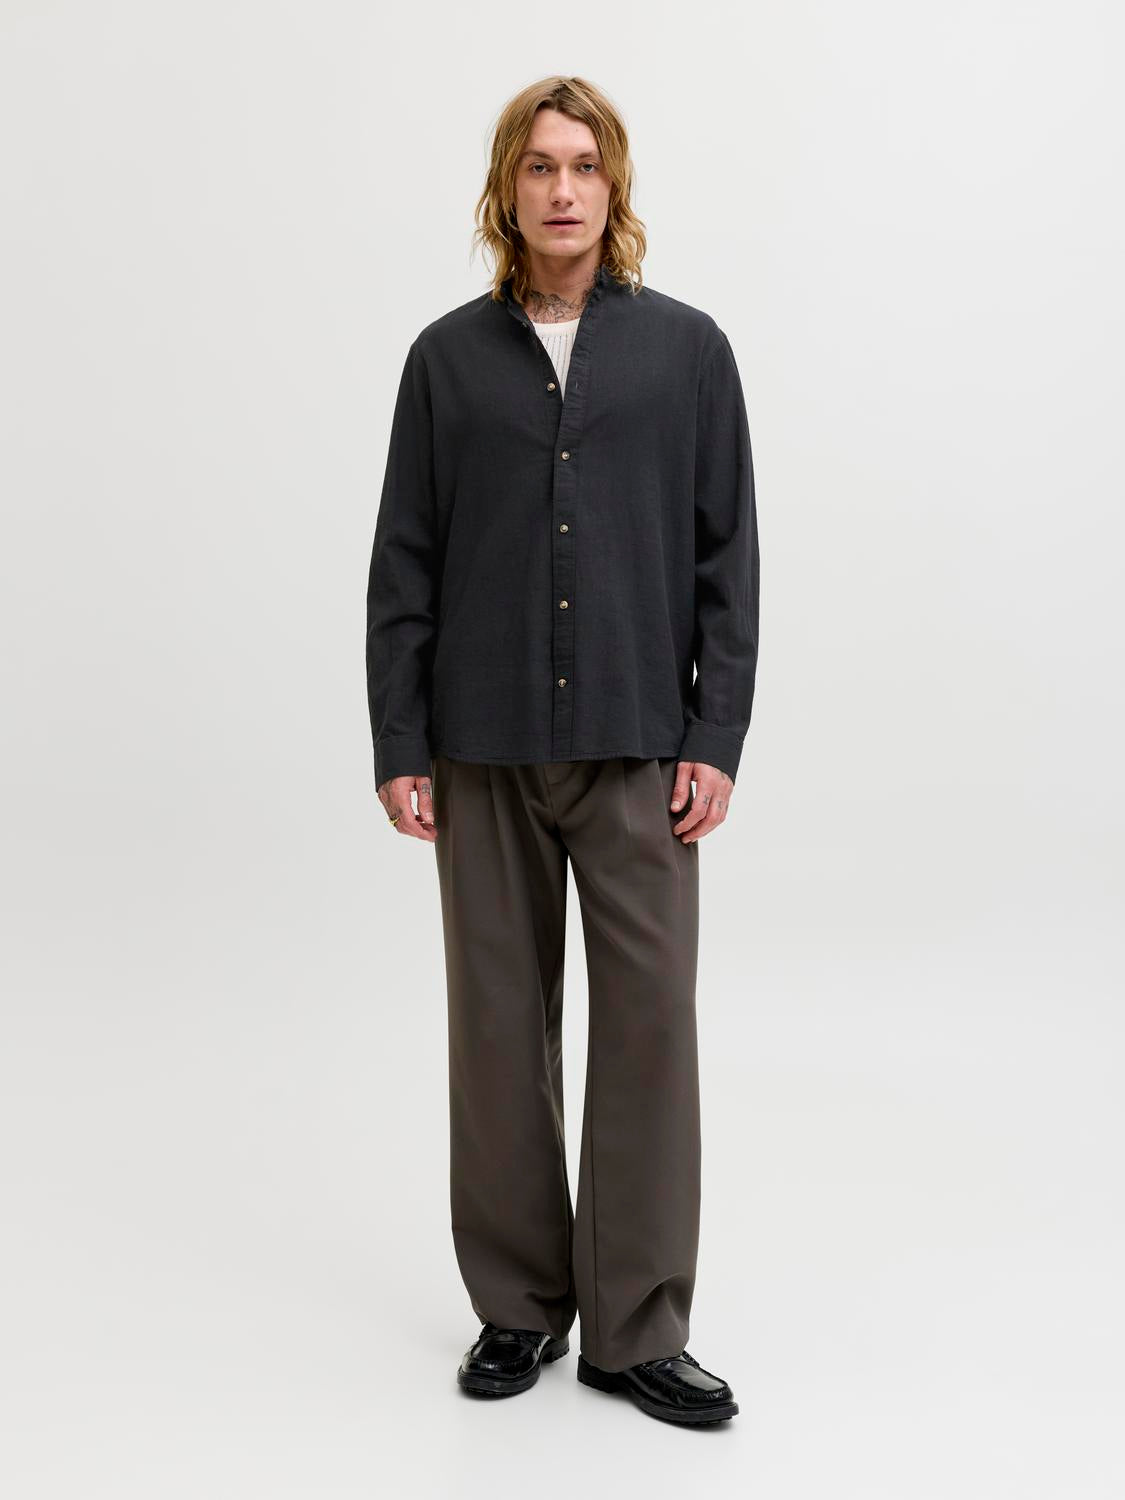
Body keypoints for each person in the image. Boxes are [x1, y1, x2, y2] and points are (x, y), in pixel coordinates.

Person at [365, 75, 759, 1427]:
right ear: (507, 187)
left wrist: (715, 734)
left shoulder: (687, 352)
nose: (562, 189)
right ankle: (519, 1309)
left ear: (614, 185)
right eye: (538, 165)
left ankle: (635, 1328)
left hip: (640, 745)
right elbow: (404, 558)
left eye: (583, 165)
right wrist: (400, 738)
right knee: (497, 1030)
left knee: (648, 1031)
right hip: (479, 742)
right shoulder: (445, 361)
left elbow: (726, 559)